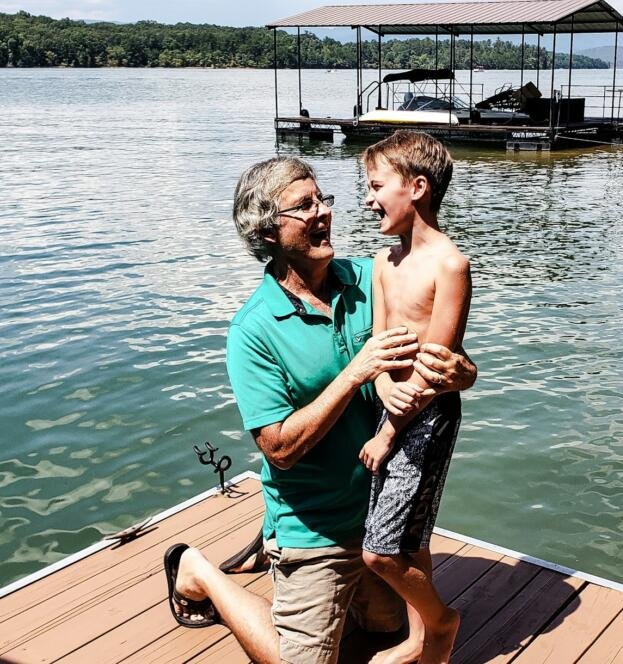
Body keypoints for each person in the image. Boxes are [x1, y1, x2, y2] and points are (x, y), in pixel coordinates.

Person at [163, 156, 477, 664]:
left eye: (322, 199)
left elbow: (436, 345)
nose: (323, 212)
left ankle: (322, 578)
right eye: (303, 206)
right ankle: (201, 570)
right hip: (314, 526)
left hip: (376, 514)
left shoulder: (369, 277)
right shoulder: (253, 331)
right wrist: (355, 372)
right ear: (268, 231)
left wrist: (463, 371)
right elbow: (279, 449)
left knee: (386, 629)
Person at [356, 131, 470, 664]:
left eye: (377, 186)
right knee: (413, 538)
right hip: (389, 406)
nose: (367, 197)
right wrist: (379, 384)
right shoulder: (384, 262)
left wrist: (386, 432)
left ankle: (442, 623)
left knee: (380, 552)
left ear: (417, 188)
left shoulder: (450, 265)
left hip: (425, 418)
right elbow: (377, 341)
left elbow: (437, 366)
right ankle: (421, 639)